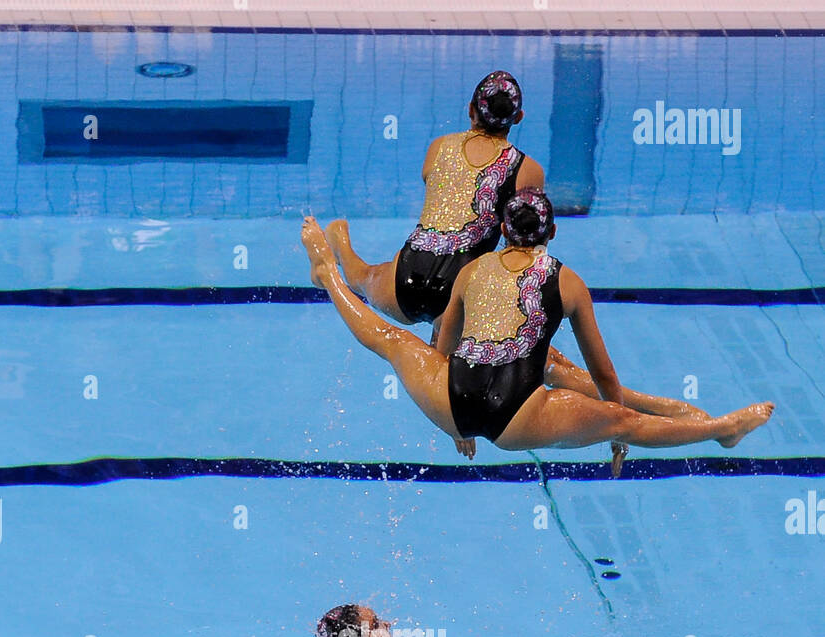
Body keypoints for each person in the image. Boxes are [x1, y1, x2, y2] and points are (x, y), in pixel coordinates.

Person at [300, 194, 774, 463]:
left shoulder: (473, 271)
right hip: (519, 419)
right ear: (551, 235)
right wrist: (614, 429)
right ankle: (721, 430)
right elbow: (604, 374)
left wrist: (454, 425)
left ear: (504, 232)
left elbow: (442, 353)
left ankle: (328, 277)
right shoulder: (567, 282)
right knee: (624, 415)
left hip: (451, 400)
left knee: (392, 341)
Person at [325, 71, 544, 334]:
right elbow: (522, 248)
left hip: (404, 279)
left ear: (470, 109)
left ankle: (339, 242)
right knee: (449, 365)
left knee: (361, 277)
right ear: (518, 118)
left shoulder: (439, 146)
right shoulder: (528, 170)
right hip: (460, 292)